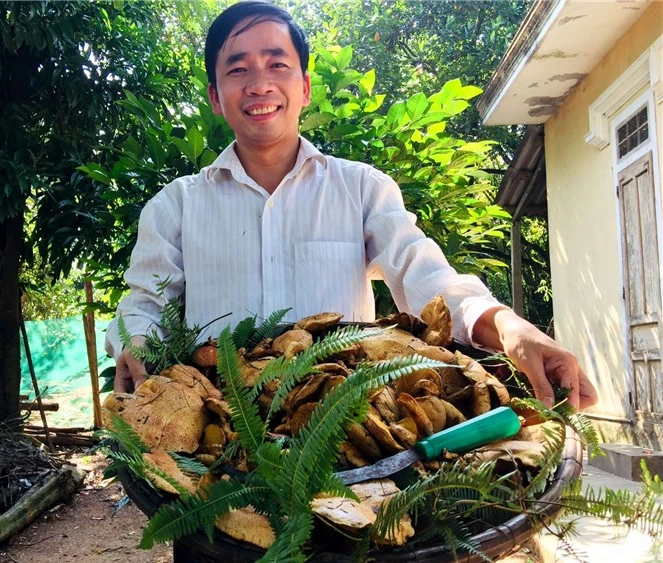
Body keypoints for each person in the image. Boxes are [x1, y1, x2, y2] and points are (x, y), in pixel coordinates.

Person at [105, 1, 597, 412]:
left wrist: (511, 327)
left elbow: (427, 278)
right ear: (216, 96)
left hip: (345, 433)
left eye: (278, 64)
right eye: (238, 69)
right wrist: (134, 344)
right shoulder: (175, 206)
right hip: (222, 447)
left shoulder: (363, 189)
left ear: (304, 87)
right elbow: (145, 304)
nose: (259, 84)